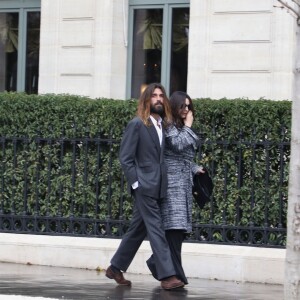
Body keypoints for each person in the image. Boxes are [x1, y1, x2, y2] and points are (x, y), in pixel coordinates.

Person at [105, 83, 185, 290]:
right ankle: (167, 276)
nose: (158, 99)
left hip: (158, 187)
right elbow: (125, 158)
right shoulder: (137, 124)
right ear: (146, 100)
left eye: (161, 96)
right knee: (156, 230)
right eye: (154, 96)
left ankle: (115, 267)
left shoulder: (162, 126)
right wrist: (136, 183)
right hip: (145, 187)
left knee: (137, 230)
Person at [147, 91, 204, 285]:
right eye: (183, 106)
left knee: (178, 233)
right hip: (172, 186)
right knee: (174, 231)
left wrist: (196, 169)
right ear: (175, 106)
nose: (186, 110)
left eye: (189, 106)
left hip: (183, 185)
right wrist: (189, 126)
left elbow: (183, 157)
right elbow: (178, 146)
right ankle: (176, 275)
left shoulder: (179, 127)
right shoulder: (169, 125)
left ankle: (157, 263)